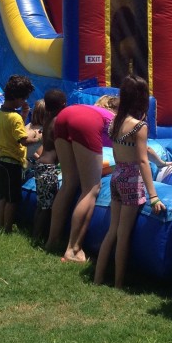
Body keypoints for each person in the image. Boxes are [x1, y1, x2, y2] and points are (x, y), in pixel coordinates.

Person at [94, 76, 165, 288]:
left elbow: (138, 151)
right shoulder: (139, 126)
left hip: (117, 176)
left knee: (113, 230)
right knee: (124, 234)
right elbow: (142, 160)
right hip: (132, 180)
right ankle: (118, 283)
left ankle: (98, 278)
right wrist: (153, 196)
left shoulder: (115, 121)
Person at [46, 100, 116, 262]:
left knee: (69, 182)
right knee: (91, 188)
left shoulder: (95, 110)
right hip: (85, 122)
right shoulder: (117, 119)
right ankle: (74, 250)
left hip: (64, 115)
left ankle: (52, 240)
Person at [0, 74, 38, 232]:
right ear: (19, 98)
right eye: (24, 98)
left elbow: (12, 131)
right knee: (12, 200)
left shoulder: (2, 112)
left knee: (3, 197)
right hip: (12, 163)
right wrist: (38, 137)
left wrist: (24, 116)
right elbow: (23, 140)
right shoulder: (15, 118)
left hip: (0, 161)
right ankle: (7, 228)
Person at [31, 89, 67, 243]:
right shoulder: (57, 122)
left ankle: (36, 233)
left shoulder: (47, 117)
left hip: (41, 166)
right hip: (48, 168)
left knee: (42, 204)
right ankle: (39, 237)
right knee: (46, 207)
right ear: (63, 105)